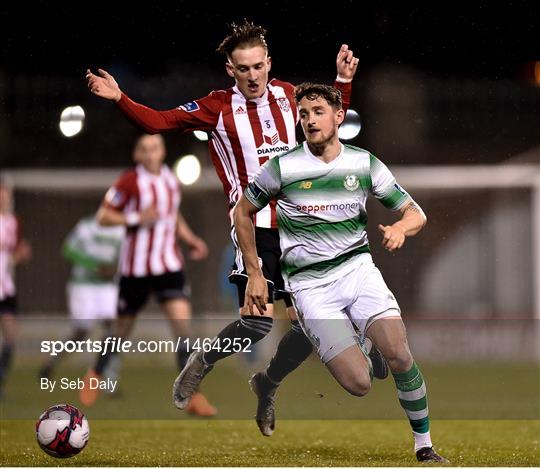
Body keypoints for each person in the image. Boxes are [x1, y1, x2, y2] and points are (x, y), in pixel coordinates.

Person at [85, 22, 384, 428]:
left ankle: (268, 383)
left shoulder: (289, 96)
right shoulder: (217, 107)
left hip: (301, 228)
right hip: (254, 228)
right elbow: (158, 121)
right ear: (231, 70)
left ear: (269, 63)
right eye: (243, 69)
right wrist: (120, 97)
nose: (253, 75)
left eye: (258, 66)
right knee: (258, 323)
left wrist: (342, 82)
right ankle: (202, 361)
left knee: (307, 325)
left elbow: (327, 123)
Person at [232, 83, 448, 463]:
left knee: (399, 353)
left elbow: (416, 213)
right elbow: (242, 211)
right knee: (361, 383)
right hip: (310, 286)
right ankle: (281, 375)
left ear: (337, 117)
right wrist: (253, 270)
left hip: (357, 271)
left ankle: (424, 445)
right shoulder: (283, 168)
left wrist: (400, 229)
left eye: (318, 112)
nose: (310, 120)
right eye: (303, 114)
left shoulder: (362, 164)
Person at [79, 133, 216, 417]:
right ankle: (96, 373)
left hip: (169, 267)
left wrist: (190, 239)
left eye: (155, 148)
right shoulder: (129, 181)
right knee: (121, 331)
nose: (151, 153)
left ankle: (192, 396)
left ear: (162, 151)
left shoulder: (169, 178)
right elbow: (103, 216)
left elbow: (172, 215)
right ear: (137, 155)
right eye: (145, 149)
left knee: (183, 331)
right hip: (136, 271)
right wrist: (136, 218)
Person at [40, 215, 124, 381]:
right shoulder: (87, 226)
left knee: (114, 329)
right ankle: (50, 363)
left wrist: (114, 269)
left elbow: (124, 257)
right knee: (81, 333)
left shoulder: (122, 230)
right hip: (83, 285)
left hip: (107, 286)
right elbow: (68, 250)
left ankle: (107, 378)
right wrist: (94, 266)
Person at [0, 181, 32, 398]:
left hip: (5, 285)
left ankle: (0, 379)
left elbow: (15, 251)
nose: (3, 199)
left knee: (11, 335)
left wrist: (20, 254)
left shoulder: (13, 221)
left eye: (5, 195)